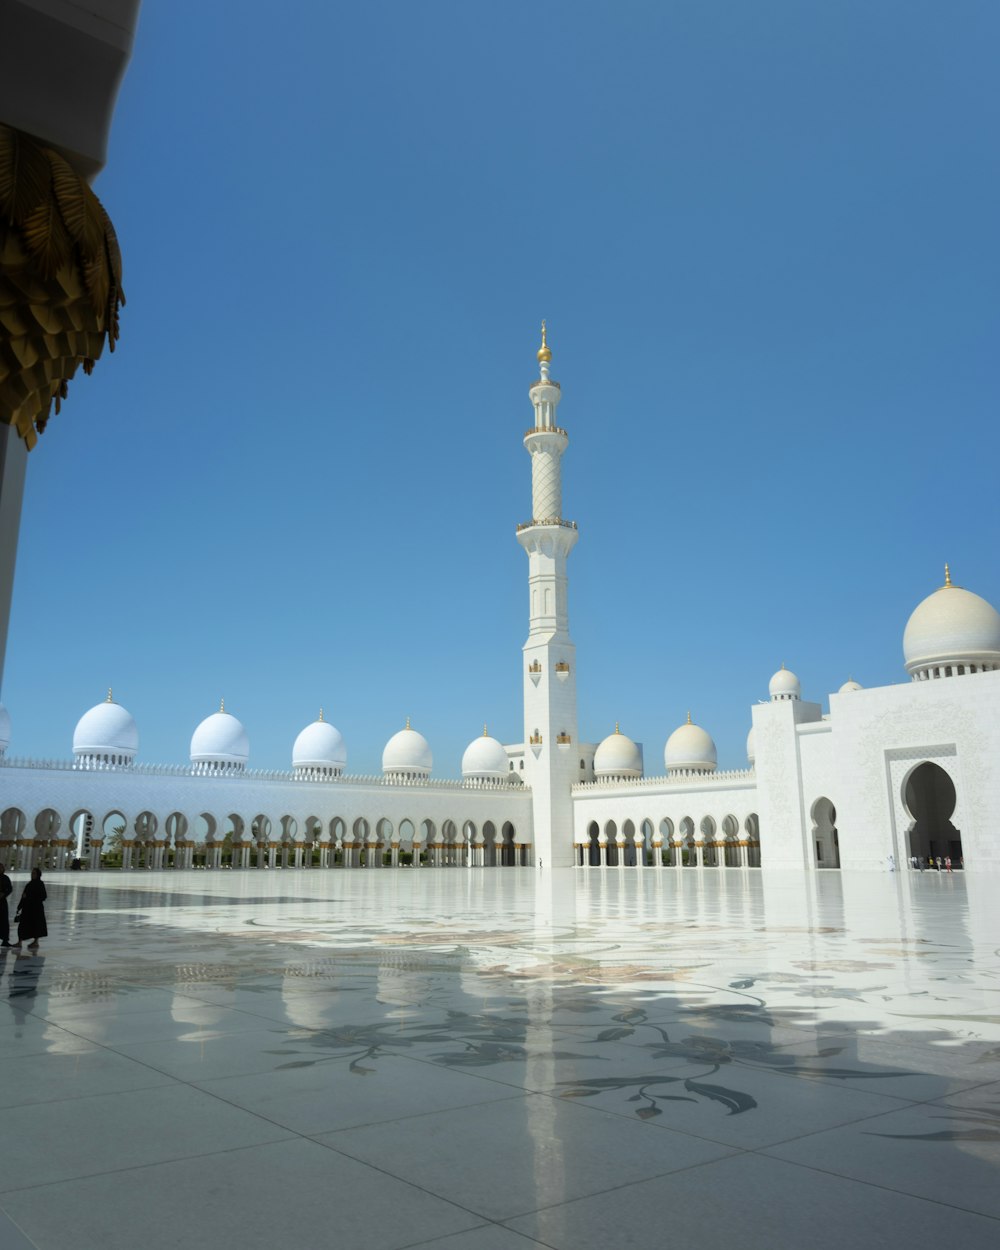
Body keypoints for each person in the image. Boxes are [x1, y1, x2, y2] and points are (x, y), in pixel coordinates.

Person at [12, 867, 47, 950]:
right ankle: (19, 942)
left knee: (36, 926)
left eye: (34, 873)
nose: (32, 875)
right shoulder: (29, 884)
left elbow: (43, 896)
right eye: (32, 873)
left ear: (38, 875)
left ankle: (35, 942)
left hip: (36, 909)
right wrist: (19, 906)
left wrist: (30, 897)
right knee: (23, 925)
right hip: (27, 909)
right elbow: (24, 895)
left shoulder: (40, 884)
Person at [0, 862, 11, 947]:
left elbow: (10, 888)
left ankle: (5, 940)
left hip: (2, 902)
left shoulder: (5, 878)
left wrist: (4, 894)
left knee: (4, 921)